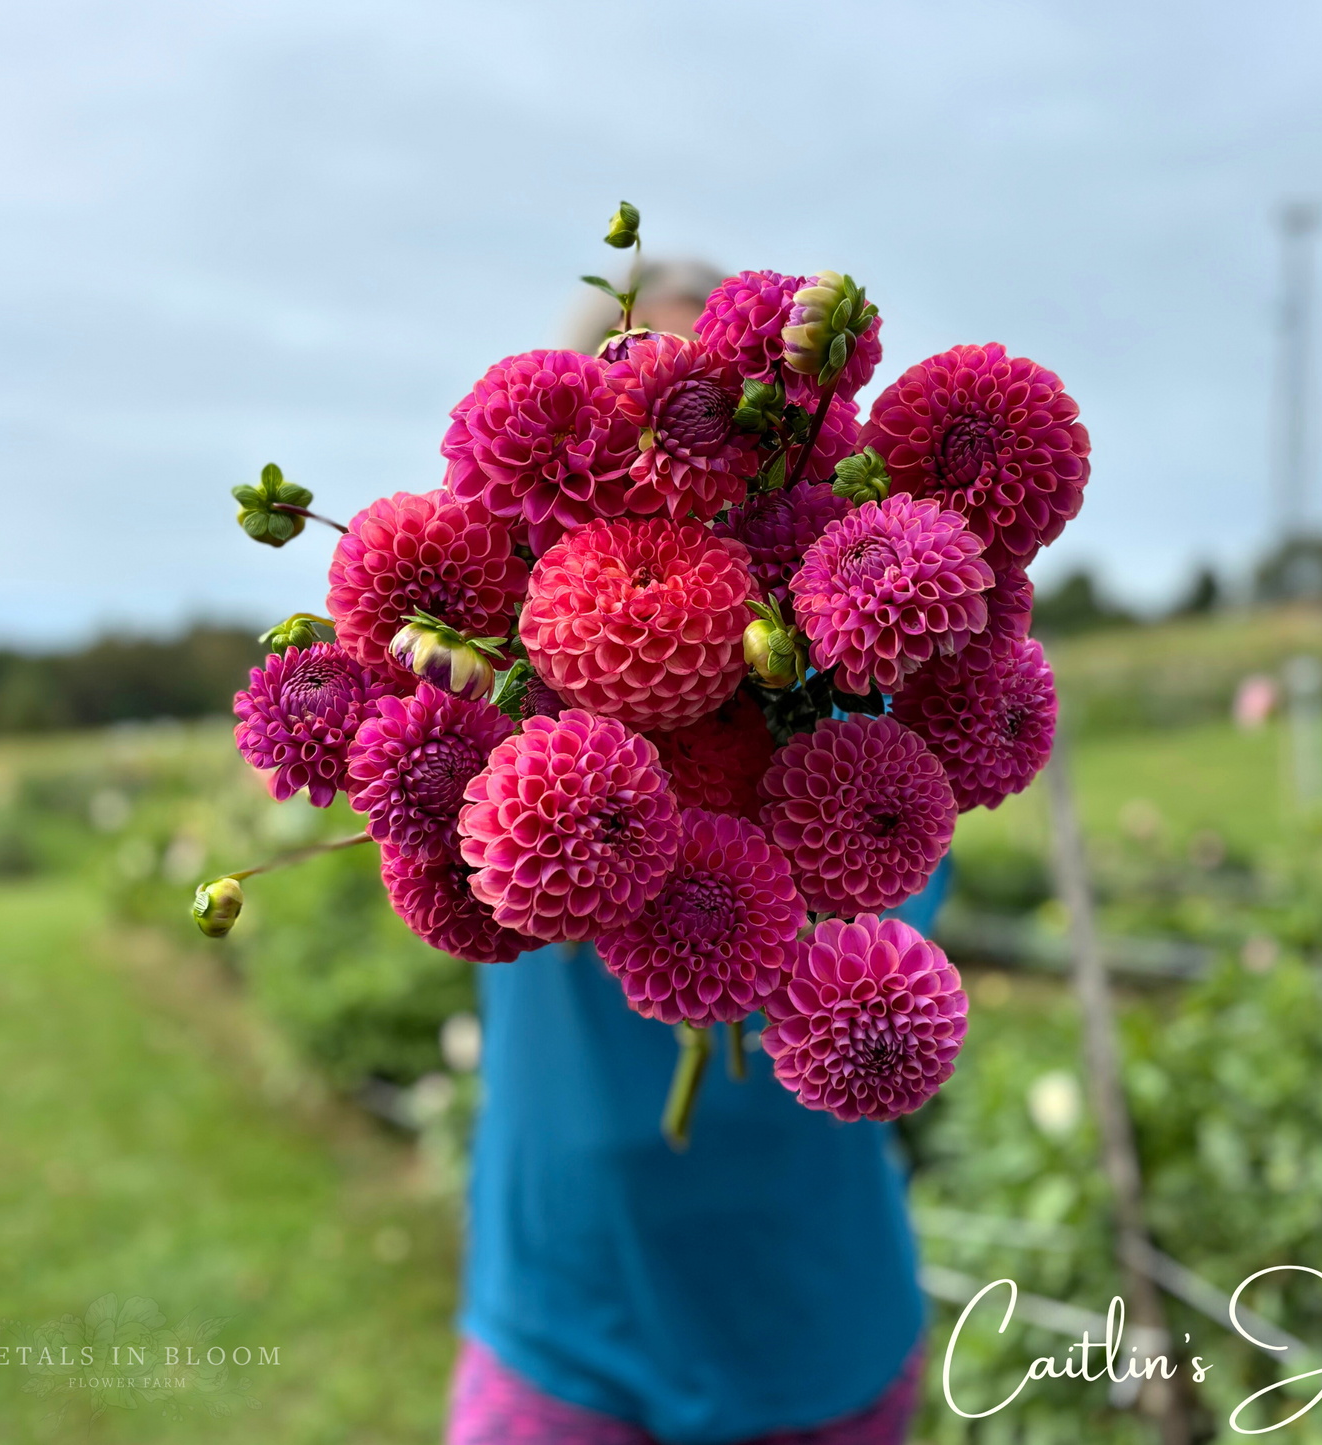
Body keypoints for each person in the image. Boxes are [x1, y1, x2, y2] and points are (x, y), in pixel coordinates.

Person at [446, 266, 950, 1445]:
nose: (677, 461)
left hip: (809, 1310)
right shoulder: (502, 699)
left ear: (780, 438)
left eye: (719, 413)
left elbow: (896, 909)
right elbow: (466, 877)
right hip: (568, 1310)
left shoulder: (861, 699)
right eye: (633, 413)